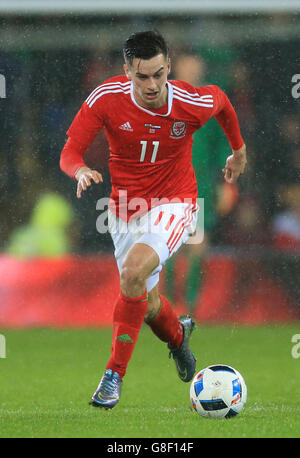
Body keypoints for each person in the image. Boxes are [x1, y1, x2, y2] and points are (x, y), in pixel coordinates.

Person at [60, 30, 247, 409]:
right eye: (142, 76)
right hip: (125, 208)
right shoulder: (105, 99)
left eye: (159, 74)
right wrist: (79, 170)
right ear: (126, 70)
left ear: (169, 67)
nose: (152, 84)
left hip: (175, 202)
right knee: (145, 302)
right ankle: (179, 337)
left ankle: (113, 377)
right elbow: (70, 152)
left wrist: (238, 151)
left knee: (132, 273)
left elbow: (223, 102)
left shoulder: (188, 101)